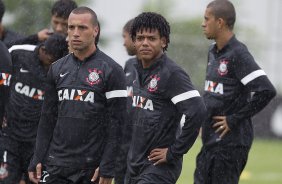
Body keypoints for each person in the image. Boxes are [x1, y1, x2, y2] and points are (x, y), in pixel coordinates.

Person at [28, 6, 127, 184]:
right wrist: (37, 157)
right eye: (71, 27)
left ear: (95, 31)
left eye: (82, 28)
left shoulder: (113, 70)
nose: (75, 33)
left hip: (90, 169)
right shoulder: (56, 68)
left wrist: (108, 166)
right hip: (56, 165)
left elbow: (117, 125)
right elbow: (47, 119)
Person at [194, 1, 276, 184]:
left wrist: (234, 119)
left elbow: (266, 90)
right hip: (210, 141)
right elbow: (213, 93)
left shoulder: (238, 54)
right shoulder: (213, 51)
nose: (203, 23)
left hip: (230, 145)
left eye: (207, 19)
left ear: (220, 22)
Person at [124, 12, 207, 184]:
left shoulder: (171, 74)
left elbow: (197, 110)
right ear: (134, 41)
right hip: (134, 163)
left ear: (163, 41)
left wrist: (174, 152)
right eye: (140, 38)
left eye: (151, 38)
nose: (145, 43)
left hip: (158, 168)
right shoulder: (133, 69)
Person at [0, 33, 68, 184]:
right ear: (43, 50)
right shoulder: (19, 53)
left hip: (36, 143)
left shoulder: (62, 71)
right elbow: (2, 51)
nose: (50, 65)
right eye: (49, 59)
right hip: (9, 135)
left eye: (54, 62)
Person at [114, 18, 137, 184]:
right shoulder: (128, 65)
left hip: (143, 147)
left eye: (125, 37)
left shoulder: (162, 70)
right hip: (123, 145)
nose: (123, 43)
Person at [6, 0, 77, 48]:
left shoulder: (79, 44)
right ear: (51, 18)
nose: (59, 28)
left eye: (64, 24)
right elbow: (6, 50)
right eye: (55, 22)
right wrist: (35, 38)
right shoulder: (42, 40)